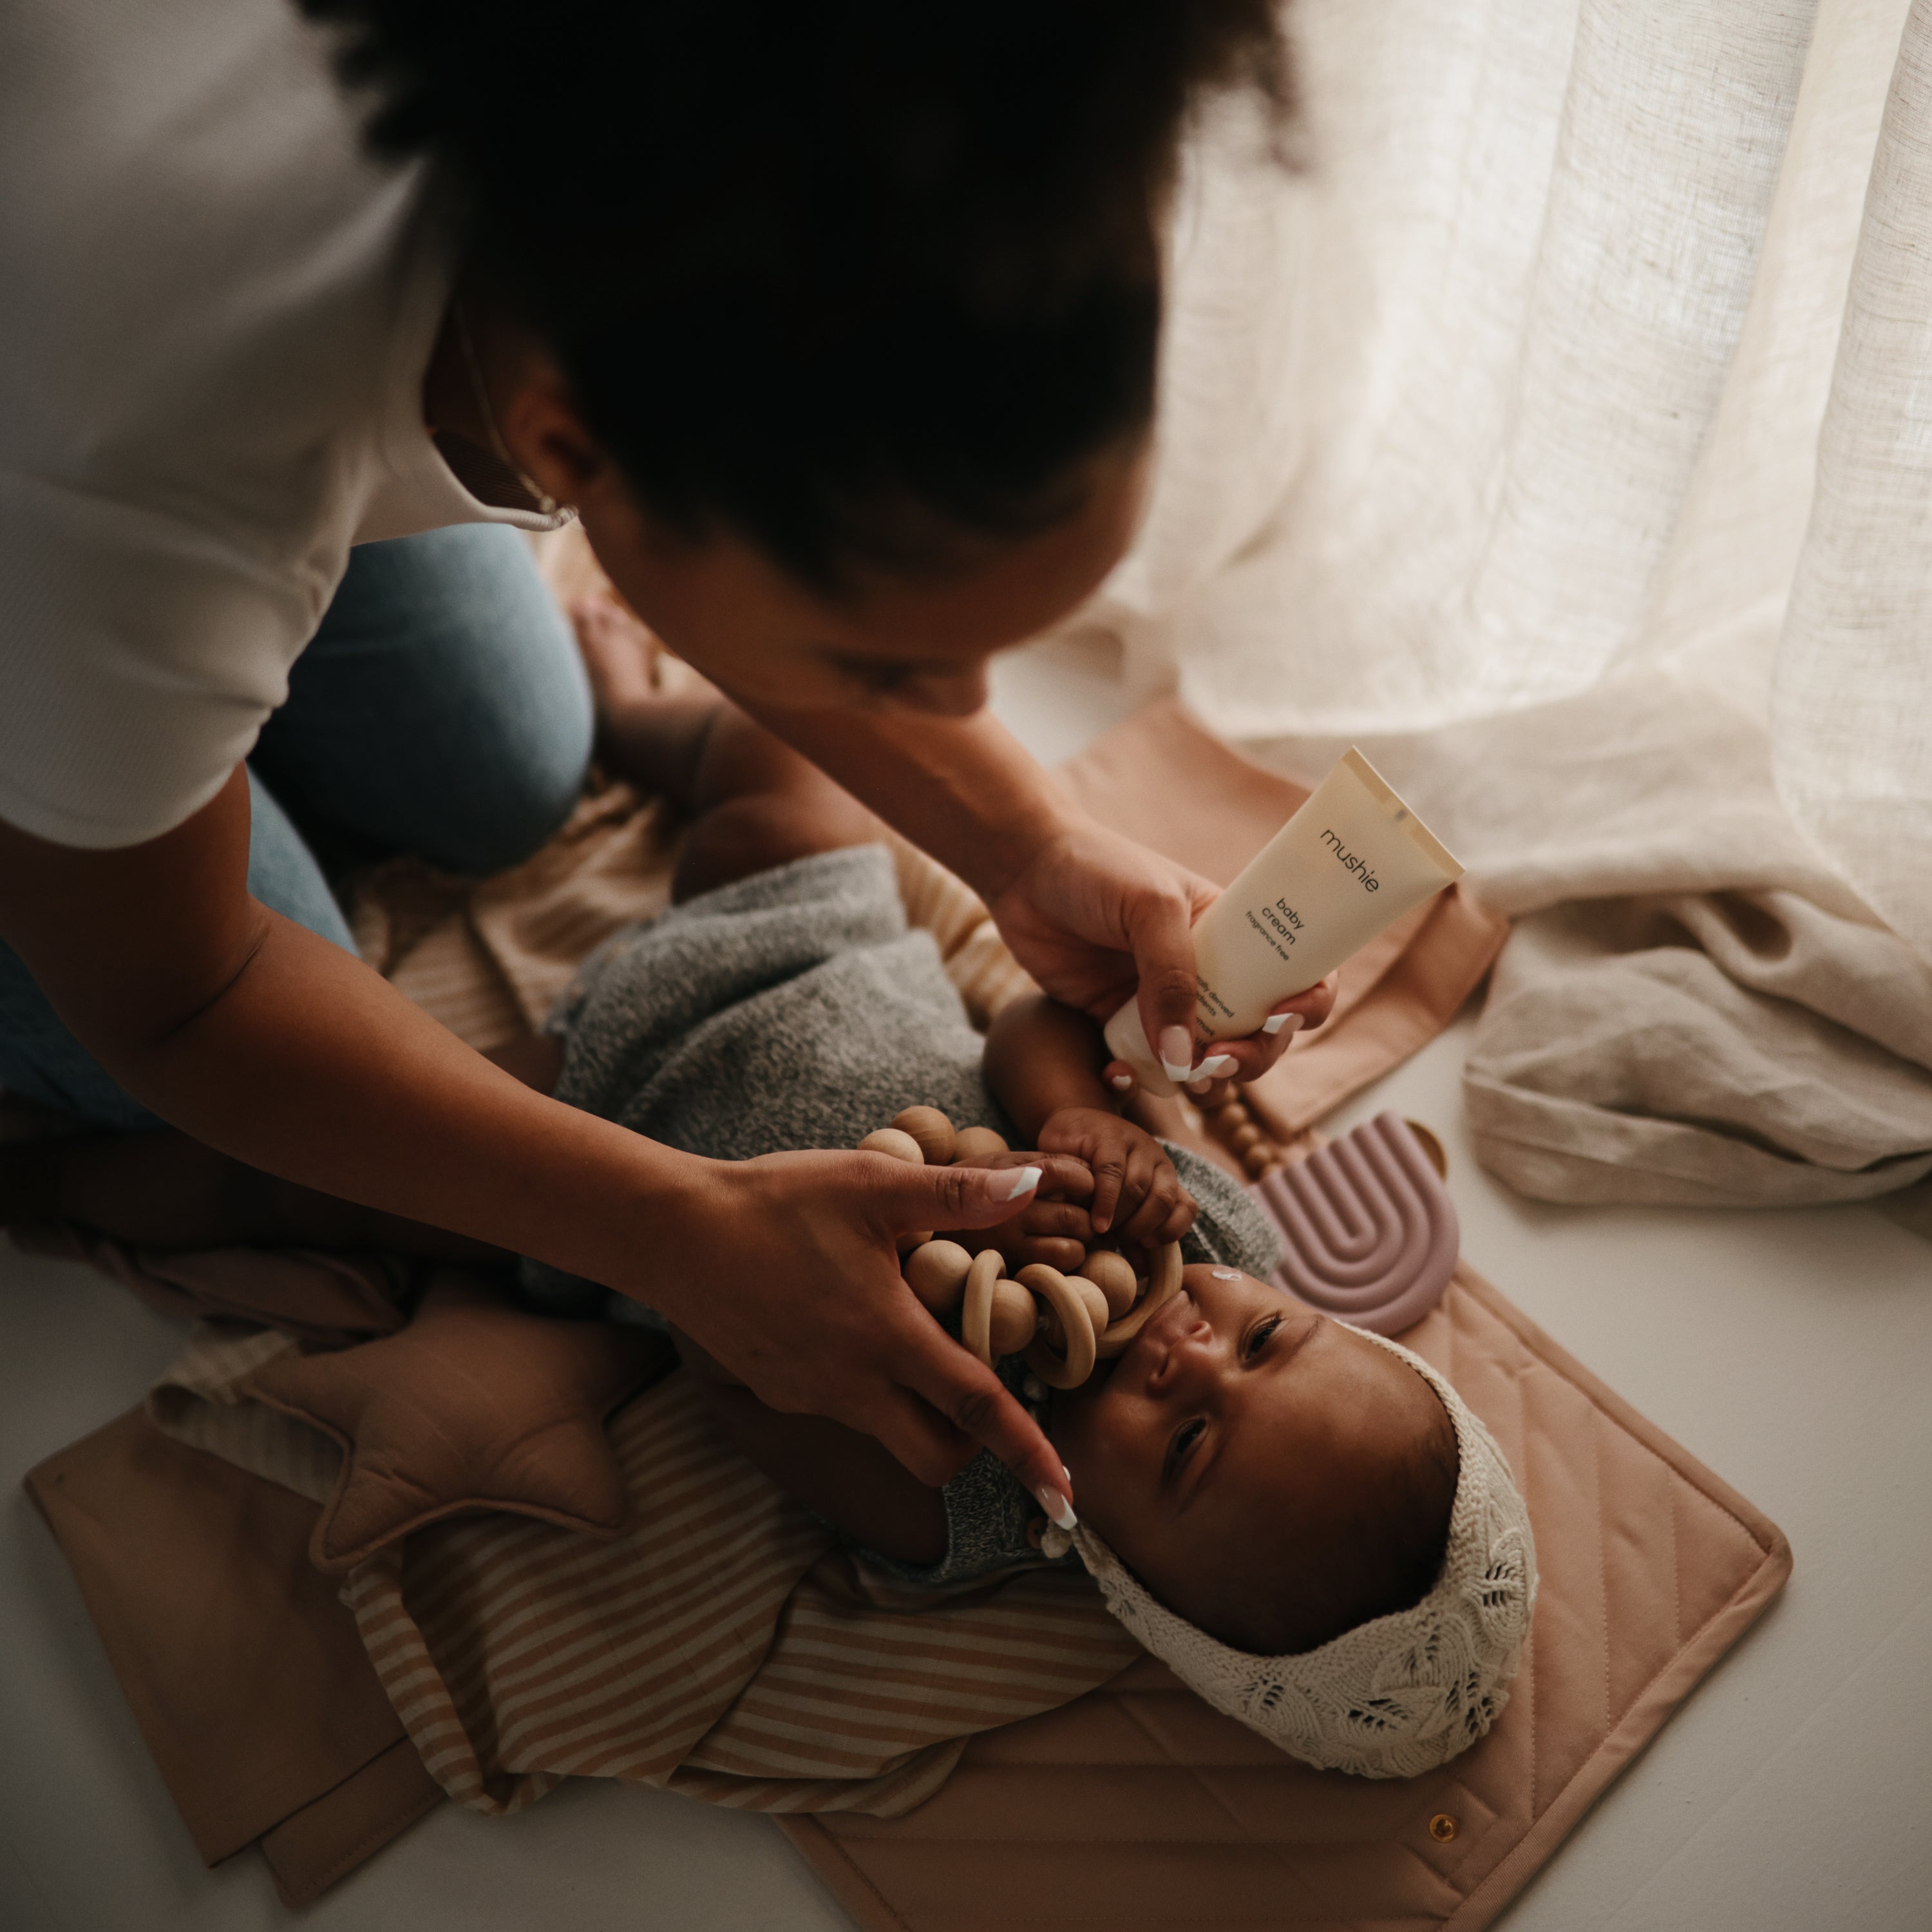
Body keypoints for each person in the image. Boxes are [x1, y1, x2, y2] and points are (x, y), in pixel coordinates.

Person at [0, 0, 1331, 1520]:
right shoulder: (124, 448)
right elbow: (187, 995)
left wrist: (1025, 847)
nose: (958, 713)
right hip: (71, 448)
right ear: (574, 454)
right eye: (881, 665)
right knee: (244, 1073)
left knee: (513, 771)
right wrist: (666, 1229)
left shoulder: (783, 124)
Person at [0, 667, 1534, 1780]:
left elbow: (735, 1371)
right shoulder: (1202, 1242)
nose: (1193, 1351)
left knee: (297, 1168)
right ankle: (620, 709)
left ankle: (56, 1183)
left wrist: (912, 1339)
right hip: (813, 947)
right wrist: (1079, 1116)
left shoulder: (961, 1493)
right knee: (773, 761)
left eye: (1188, 1445)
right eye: (1266, 1340)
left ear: (1128, 1578)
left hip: (596, 1124)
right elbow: (1021, 1035)